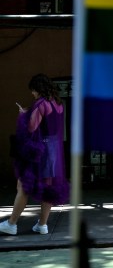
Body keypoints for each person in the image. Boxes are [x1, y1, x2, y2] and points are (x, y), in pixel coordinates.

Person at [0, 74, 69, 235]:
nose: (32, 94)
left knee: (23, 185)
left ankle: (11, 224)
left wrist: (23, 115)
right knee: (49, 188)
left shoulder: (41, 104)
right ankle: (42, 225)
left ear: (37, 88)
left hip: (40, 151)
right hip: (55, 152)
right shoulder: (58, 103)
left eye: (33, 90)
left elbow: (31, 128)